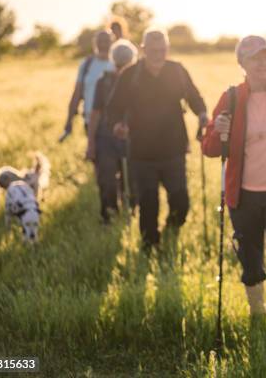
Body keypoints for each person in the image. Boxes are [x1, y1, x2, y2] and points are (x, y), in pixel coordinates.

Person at [202, 36, 266, 339]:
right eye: (255, 57)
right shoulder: (231, 98)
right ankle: (257, 316)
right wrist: (218, 131)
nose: (262, 62)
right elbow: (208, 148)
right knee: (250, 258)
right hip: (242, 194)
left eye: (265, 56)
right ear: (242, 63)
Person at [108, 29, 208, 251]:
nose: (158, 54)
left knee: (181, 203)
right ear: (143, 50)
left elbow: (194, 97)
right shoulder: (130, 75)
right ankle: (150, 247)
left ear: (167, 49)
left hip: (174, 151)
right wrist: (117, 125)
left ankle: (171, 231)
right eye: (153, 50)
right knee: (148, 204)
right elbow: (113, 108)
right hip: (141, 154)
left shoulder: (177, 71)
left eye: (162, 49)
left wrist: (202, 114)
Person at [85, 39, 138, 223]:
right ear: (113, 62)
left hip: (133, 139)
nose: (122, 68)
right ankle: (109, 217)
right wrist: (91, 142)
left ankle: (131, 213)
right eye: (120, 64)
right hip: (106, 139)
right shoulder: (103, 82)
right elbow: (95, 113)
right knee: (107, 180)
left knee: (132, 181)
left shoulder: (139, 81)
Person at [63, 30, 115, 135]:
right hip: (90, 121)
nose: (103, 44)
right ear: (95, 43)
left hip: (112, 123)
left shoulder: (117, 64)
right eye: (100, 41)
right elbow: (77, 93)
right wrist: (69, 121)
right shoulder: (86, 64)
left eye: (106, 41)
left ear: (112, 43)